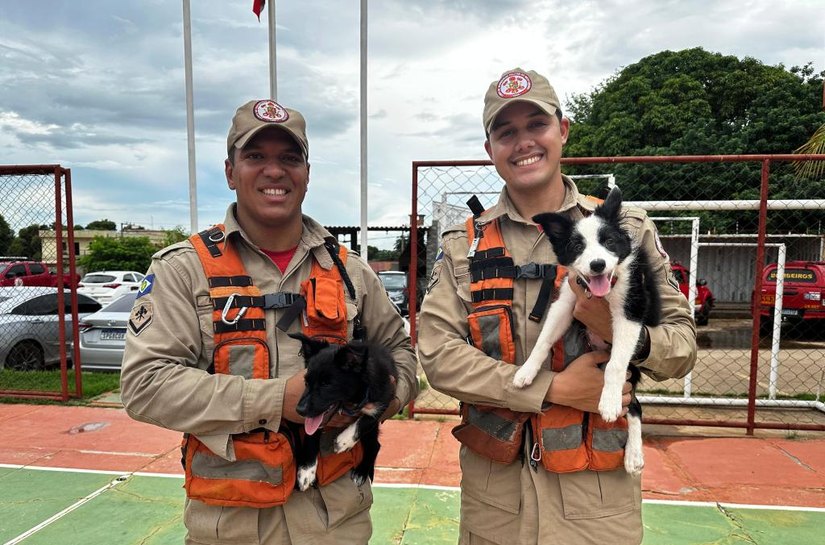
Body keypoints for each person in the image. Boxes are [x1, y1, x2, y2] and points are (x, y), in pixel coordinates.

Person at [417, 68, 697, 545]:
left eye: (537, 125)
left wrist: (619, 328)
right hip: (496, 513)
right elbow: (438, 356)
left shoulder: (624, 227)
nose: (523, 142)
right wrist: (551, 388)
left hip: (596, 510)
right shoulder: (464, 245)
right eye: (506, 132)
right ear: (490, 150)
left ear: (563, 130)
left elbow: (682, 346)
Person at [120, 99, 418, 545]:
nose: (274, 171)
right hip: (228, 524)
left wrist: (375, 404)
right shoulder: (184, 269)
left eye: (289, 158)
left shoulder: (350, 271)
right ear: (229, 171)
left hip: (335, 524)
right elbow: (145, 385)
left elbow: (402, 354)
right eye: (255, 156)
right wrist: (277, 399)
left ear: (307, 173)